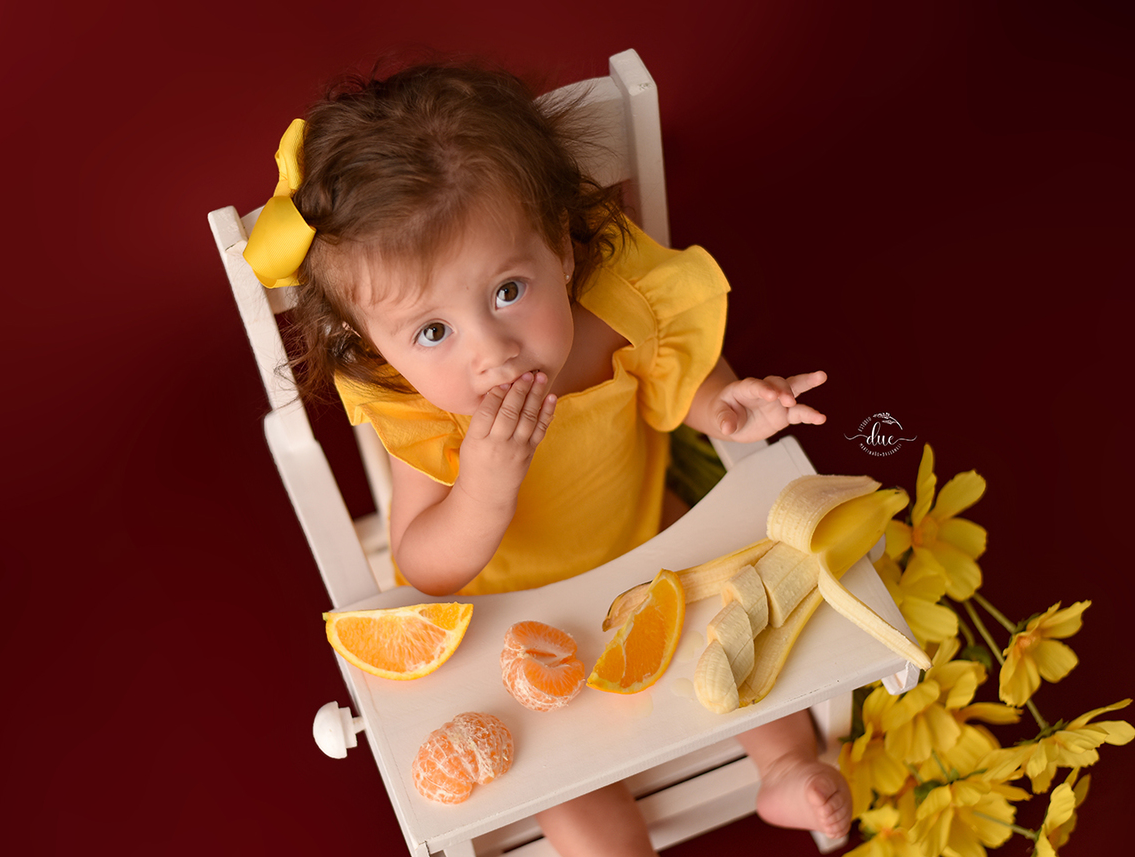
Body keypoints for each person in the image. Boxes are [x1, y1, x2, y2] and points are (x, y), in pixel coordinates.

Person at [243, 58, 851, 856]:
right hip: (520, 623)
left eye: (507, 291)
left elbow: (687, 382)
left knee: (738, 631)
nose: (491, 350)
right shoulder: (428, 416)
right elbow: (422, 562)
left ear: (559, 248)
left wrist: (728, 407)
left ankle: (784, 764)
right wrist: (482, 488)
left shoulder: (611, 322)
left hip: (650, 551)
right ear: (377, 346)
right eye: (434, 331)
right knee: (562, 773)